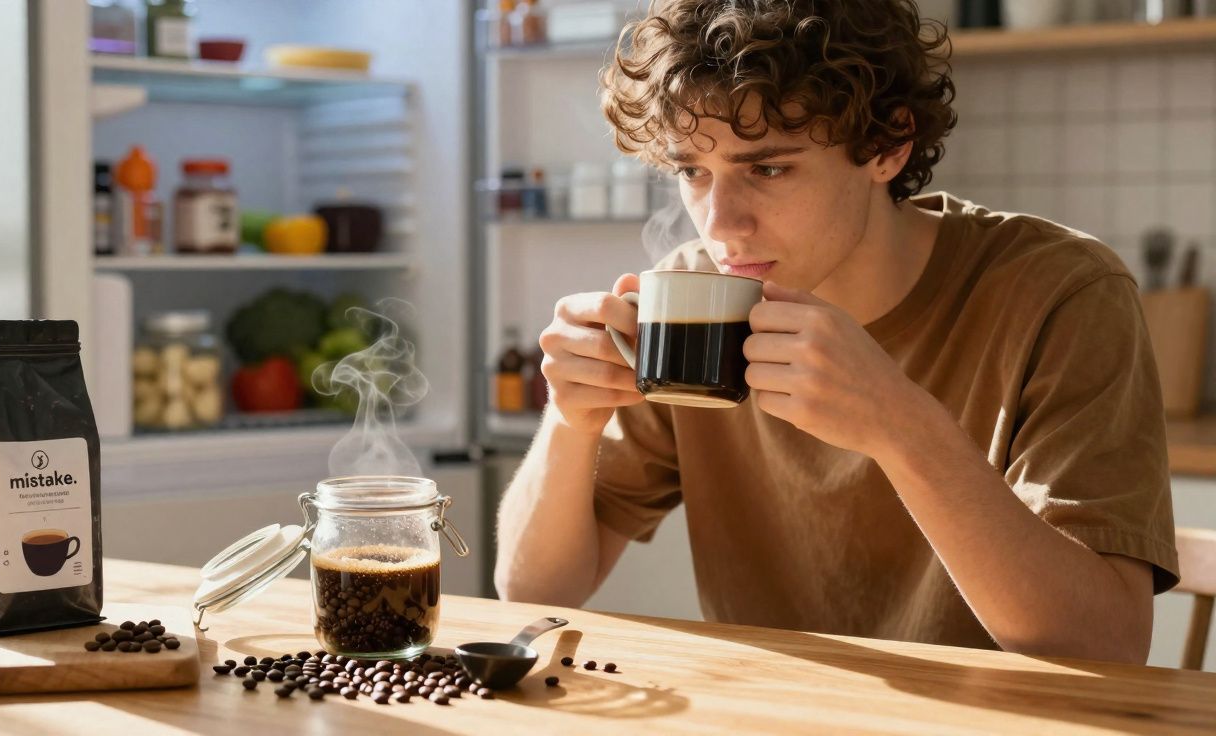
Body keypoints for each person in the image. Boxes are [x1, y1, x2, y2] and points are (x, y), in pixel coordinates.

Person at [493, 0, 1179, 665]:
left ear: (887, 144)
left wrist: (902, 427)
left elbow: (1104, 642)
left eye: (767, 168)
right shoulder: (696, 298)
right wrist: (570, 419)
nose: (721, 224)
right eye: (693, 173)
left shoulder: (1059, 292)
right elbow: (534, 591)